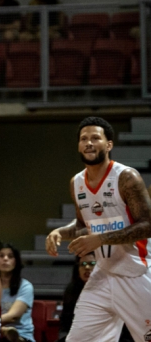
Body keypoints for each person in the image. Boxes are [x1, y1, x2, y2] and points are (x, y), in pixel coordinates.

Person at [45, 116, 151, 342]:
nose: (89, 143)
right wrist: (60, 233)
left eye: (95, 138)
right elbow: (83, 225)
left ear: (109, 144)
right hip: (103, 274)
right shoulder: (77, 182)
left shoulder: (126, 177)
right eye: (84, 139)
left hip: (137, 272)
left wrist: (100, 239)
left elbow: (147, 225)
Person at [0, 244, 34, 342]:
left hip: (21, 333)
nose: (5, 259)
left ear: (16, 261)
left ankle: (8, 334)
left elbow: (13, 316)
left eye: (10, 256)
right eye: (1, 256)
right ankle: (3, 331)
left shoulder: (25, 286)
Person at [57, 253, 95, 339]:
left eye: (92, 264)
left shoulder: (109, 290)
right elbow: (65, 323)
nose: (87, 267)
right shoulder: (71, 290)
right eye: (83, 264)